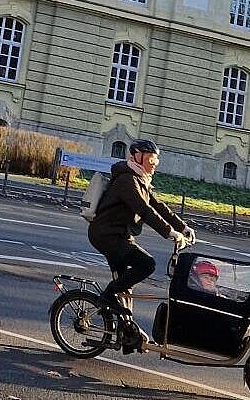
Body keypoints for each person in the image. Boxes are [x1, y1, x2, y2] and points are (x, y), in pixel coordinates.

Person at [87, 138, 195, 351]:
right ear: (137, 156)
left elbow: (157, 205)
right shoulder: (128, 180)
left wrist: (183, 227)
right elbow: (145, 211)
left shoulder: (139, 178)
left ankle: (126, 334)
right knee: (147, 264)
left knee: (126, 286)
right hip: (107, 236)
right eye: (151, 158)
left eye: (156, 159)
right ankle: (107, 296)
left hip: (119, 235)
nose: (154, 163)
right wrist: (170, 233)